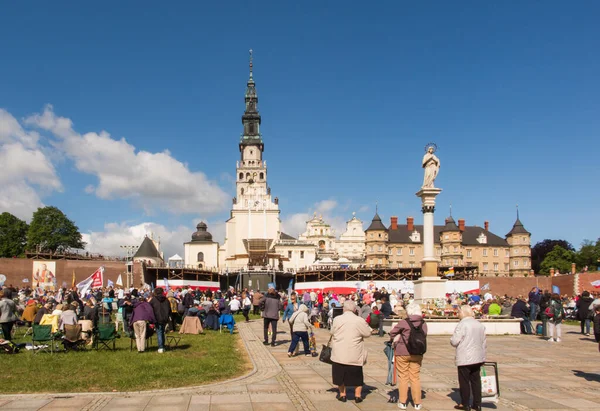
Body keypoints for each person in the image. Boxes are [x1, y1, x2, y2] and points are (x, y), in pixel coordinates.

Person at [330, 300, 372, 404]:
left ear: (344, 309)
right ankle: (357, 396)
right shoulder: (359, 320)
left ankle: (342, 394)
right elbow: (367, 333)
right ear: (354, 310)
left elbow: (332, 332)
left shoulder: (337, 319)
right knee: (357, 374)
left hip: (339, 351)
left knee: (339, 374)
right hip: (354, 351)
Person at [389, 303, 427, 410]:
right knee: (415, 377)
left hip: (403, 352)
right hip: (418, 352)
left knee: (403, 377)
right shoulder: (423, 323)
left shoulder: (404, 322)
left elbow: (392, 333)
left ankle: (403, 401)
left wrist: (398, 337)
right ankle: (417, 403)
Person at [451, 305, 486, 411]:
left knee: (464, 381)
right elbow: (484, 342)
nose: (458, 314)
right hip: (477, 356)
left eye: (459, 312)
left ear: (463, 313)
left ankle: (465, 404)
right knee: (476, 381)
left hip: (465, 357)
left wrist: (451, 339)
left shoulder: (462, 324)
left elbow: (454, 341)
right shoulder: (479, 324)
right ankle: (477, 403)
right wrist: (483, 356)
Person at [149, 287, 171, 353]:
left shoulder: (153, 300)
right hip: (165, 318)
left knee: (159, 332)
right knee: (162, 332)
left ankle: (161, 347)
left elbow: (150, 309)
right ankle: (163, 346)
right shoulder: (166, 300)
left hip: (157, 318)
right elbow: (169, 309)